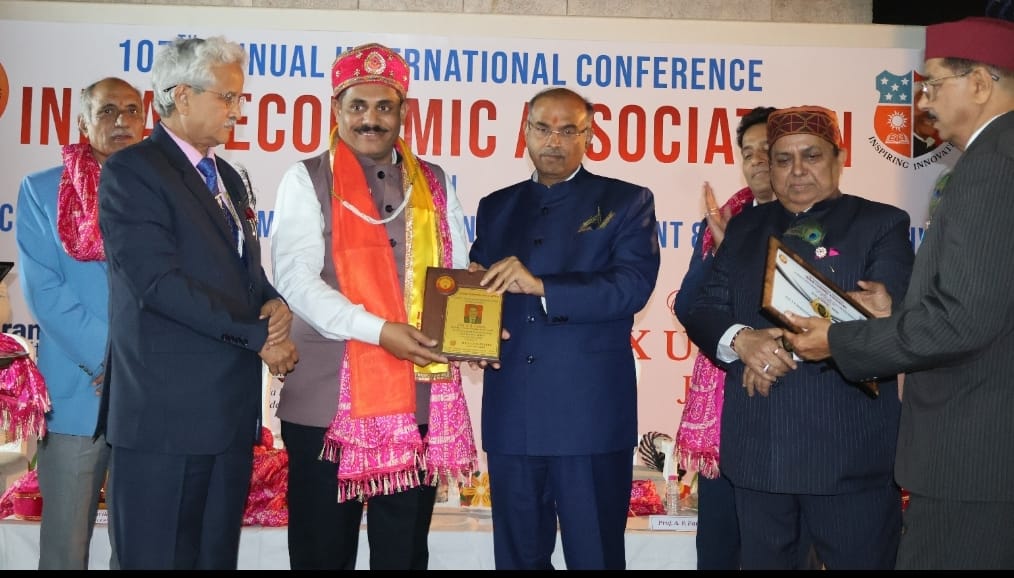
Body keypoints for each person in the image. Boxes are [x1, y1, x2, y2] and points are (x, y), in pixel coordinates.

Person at [784, 17, 1014, 570]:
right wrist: (901, 312)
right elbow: (989, 299)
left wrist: (840, 341)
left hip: (974, 454)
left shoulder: (991, 167)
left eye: (933, 84)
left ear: (979, 84)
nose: (923, 101)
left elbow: (962, 322)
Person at [270, 42, 477, 570]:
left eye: (384, 107)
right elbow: (296, 281)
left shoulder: (432, 181)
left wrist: (475, 322)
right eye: (357, 106)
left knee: (403, 554)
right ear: (335, 109)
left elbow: (454, 274)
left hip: (416, 401)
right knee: (322, 553)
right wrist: (378, 330)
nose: (371, 119)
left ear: (403, 112)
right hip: (325, 404)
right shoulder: (306, 178)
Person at [95, 37, 298, 570]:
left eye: (239, 98)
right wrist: (257, 337)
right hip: (163, 421)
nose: (237, 110)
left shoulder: (227, 175)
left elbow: (241, 271)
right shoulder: (133, 171)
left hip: (226, 419)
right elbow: (158, 283)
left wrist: (273, 304)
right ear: (182, 96)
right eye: (227, 97)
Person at [682, 105, 914, 569]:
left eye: (812, 155)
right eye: (783, 159)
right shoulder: (745, 226)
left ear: (839, 159)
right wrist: (743, 341)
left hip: (848, 456)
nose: (797, 170)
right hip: (760, 455)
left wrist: (775, 350)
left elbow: (889, 321)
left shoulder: (881, 223)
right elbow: (704, 308)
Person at [467, 87, 660, 570]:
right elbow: (479, 286)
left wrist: (541, 285)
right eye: (543, 128)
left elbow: (631, 287)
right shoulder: (496, 206)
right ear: (525, 132)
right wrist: (470, 331)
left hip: (589, 415)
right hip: (512, 412)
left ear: (588, 136)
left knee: (594, 556)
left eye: (568, 130)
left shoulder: (626, 200)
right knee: (517, 558)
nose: (554, 140)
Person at [14, 76, 144, 570]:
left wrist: (134, 366)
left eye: (131, 110)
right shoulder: (42, 191)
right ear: (83, 124)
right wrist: (112, 359)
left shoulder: (165, 192)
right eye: (107, 110)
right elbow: (44, 292)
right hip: (78, 395)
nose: (121, 121)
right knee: (65, 551)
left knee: (140, 550)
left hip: (149, 399)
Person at [673, 105, 789, 570]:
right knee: (719, 550)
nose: (757, 160)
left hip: (790, 418)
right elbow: (689, 308)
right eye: (748, 152)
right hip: (726, 420)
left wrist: (739, 260)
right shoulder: (726, 221)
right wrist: (724, 253)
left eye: (768, 150)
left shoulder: (821, 222)